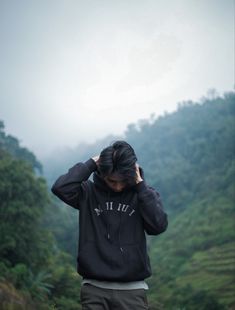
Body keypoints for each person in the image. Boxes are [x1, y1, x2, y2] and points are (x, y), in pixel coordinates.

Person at [51, 140, 168, 310]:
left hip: (132, 292)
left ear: (132, 174)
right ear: (102, 173)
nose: (119, 187)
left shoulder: (143, 196)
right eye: (112, 181)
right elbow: (61, 187)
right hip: (94, 290)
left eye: (123, 181)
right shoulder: (88, 193)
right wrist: (92, 162)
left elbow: (158, 225)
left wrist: (140, 186)